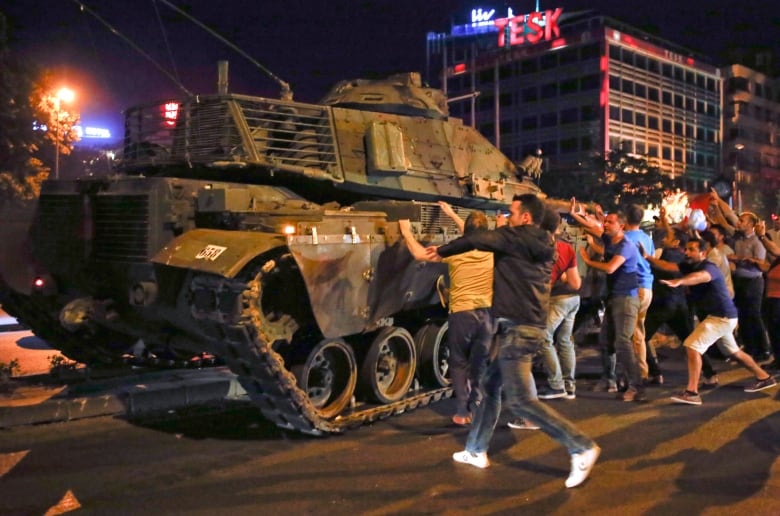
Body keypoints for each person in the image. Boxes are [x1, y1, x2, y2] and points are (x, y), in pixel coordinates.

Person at [428, 194, 599, 489]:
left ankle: (580, 446)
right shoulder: (545, 244)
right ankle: (475, 449)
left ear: (526, 218)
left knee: (520, 401)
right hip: (524, 325)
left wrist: (441, 251)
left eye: (512, 212)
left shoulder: (517, 237)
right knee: (491, 387)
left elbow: (474, 240)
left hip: (518, 329)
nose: (507, 217)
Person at [398, 201, 493, 426]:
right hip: (487, 314)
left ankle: (462, 411)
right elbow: (473, 237)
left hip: (463, 314)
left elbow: (420, 255)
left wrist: (406, 232)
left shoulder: (456, 253)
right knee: (480, 362)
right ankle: (477, 402)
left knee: (459, 362)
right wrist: (451, 213)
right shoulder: (492, 251)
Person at [662, 238, 777, 405]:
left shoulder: (709, 267)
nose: (686, 252)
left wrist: (680, 281)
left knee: (691, 346)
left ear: (702, 253)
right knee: (735, 352)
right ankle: (764, 377)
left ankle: (692, 392)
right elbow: (668, 267)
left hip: (720, 317)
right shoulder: (691, 265)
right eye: (686, 249)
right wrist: (646, 257)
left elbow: (700, 277)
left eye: (691, 249)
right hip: (722, 316)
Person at [572, 201, 643, 401]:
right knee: (606, 341)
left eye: (610, 222)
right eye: (606, 221)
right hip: (614, 298)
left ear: (621, 226)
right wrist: (575, 214)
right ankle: (611, 379)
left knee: (623, 342)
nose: (606, 224)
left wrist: (588, 261)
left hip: (627, 299)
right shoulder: (610, 240)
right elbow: (591, 227)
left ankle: (636, 386)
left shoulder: (626, 245)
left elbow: (611, 268)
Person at [536, 207, 582, 399]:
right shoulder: (567, 247)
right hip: (573, 300)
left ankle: (556, 386)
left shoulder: (540, 248)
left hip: (557, 300)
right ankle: (569, 386)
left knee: (544, 337)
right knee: (565, 341)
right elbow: (576, 283)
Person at [728, 212, 772, 362]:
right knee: (743, 315)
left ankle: (763, 349)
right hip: (739, 280)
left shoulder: (757, 241)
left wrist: (739, 259)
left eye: (742, 220)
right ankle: (750, 347)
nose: (738, 223)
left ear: (750, 225)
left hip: (753, 282)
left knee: (754, 315)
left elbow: (760, 262)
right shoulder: (738, 239)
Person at [755, 221, 780, 370]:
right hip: (771, 297)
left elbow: (775, 250)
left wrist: (762, 237)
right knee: (774, 331)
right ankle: (778, 359)